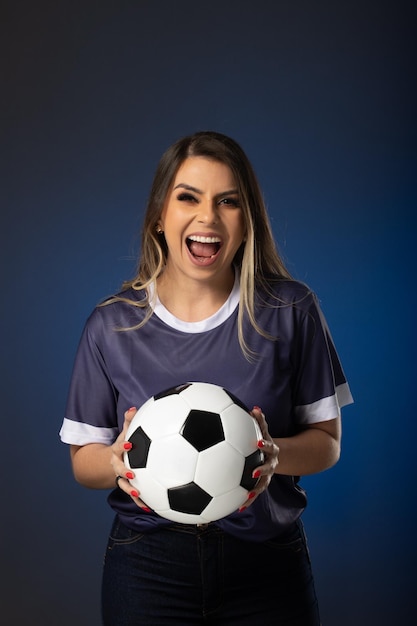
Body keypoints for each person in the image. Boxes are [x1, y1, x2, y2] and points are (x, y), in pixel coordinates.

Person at [60, 130, 353, 625]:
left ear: (247, 221)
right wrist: (113, 460)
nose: (207, 217)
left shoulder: (289, 310)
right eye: (188, 197)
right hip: (148, 562)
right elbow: (83, 463)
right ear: (159, 217)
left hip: (266, 559)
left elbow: (327, 444)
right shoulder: (112, 325)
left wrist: (273, 455)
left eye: (228, 201)